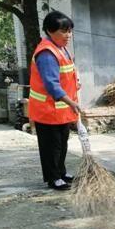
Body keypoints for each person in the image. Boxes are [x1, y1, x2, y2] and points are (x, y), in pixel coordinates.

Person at [29, 11, 81, 190]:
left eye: (70, 31)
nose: (68, 35)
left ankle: (61, 172)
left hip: (60, 111)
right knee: (52, 147)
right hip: (47, 111)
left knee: (62, 144)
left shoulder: (60, 48)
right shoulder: (46, 53)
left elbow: (66, 73)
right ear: (50, 31)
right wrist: (72, 102)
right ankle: (53, 178)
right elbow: (51, 84)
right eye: (64, 31)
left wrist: (76, 83)